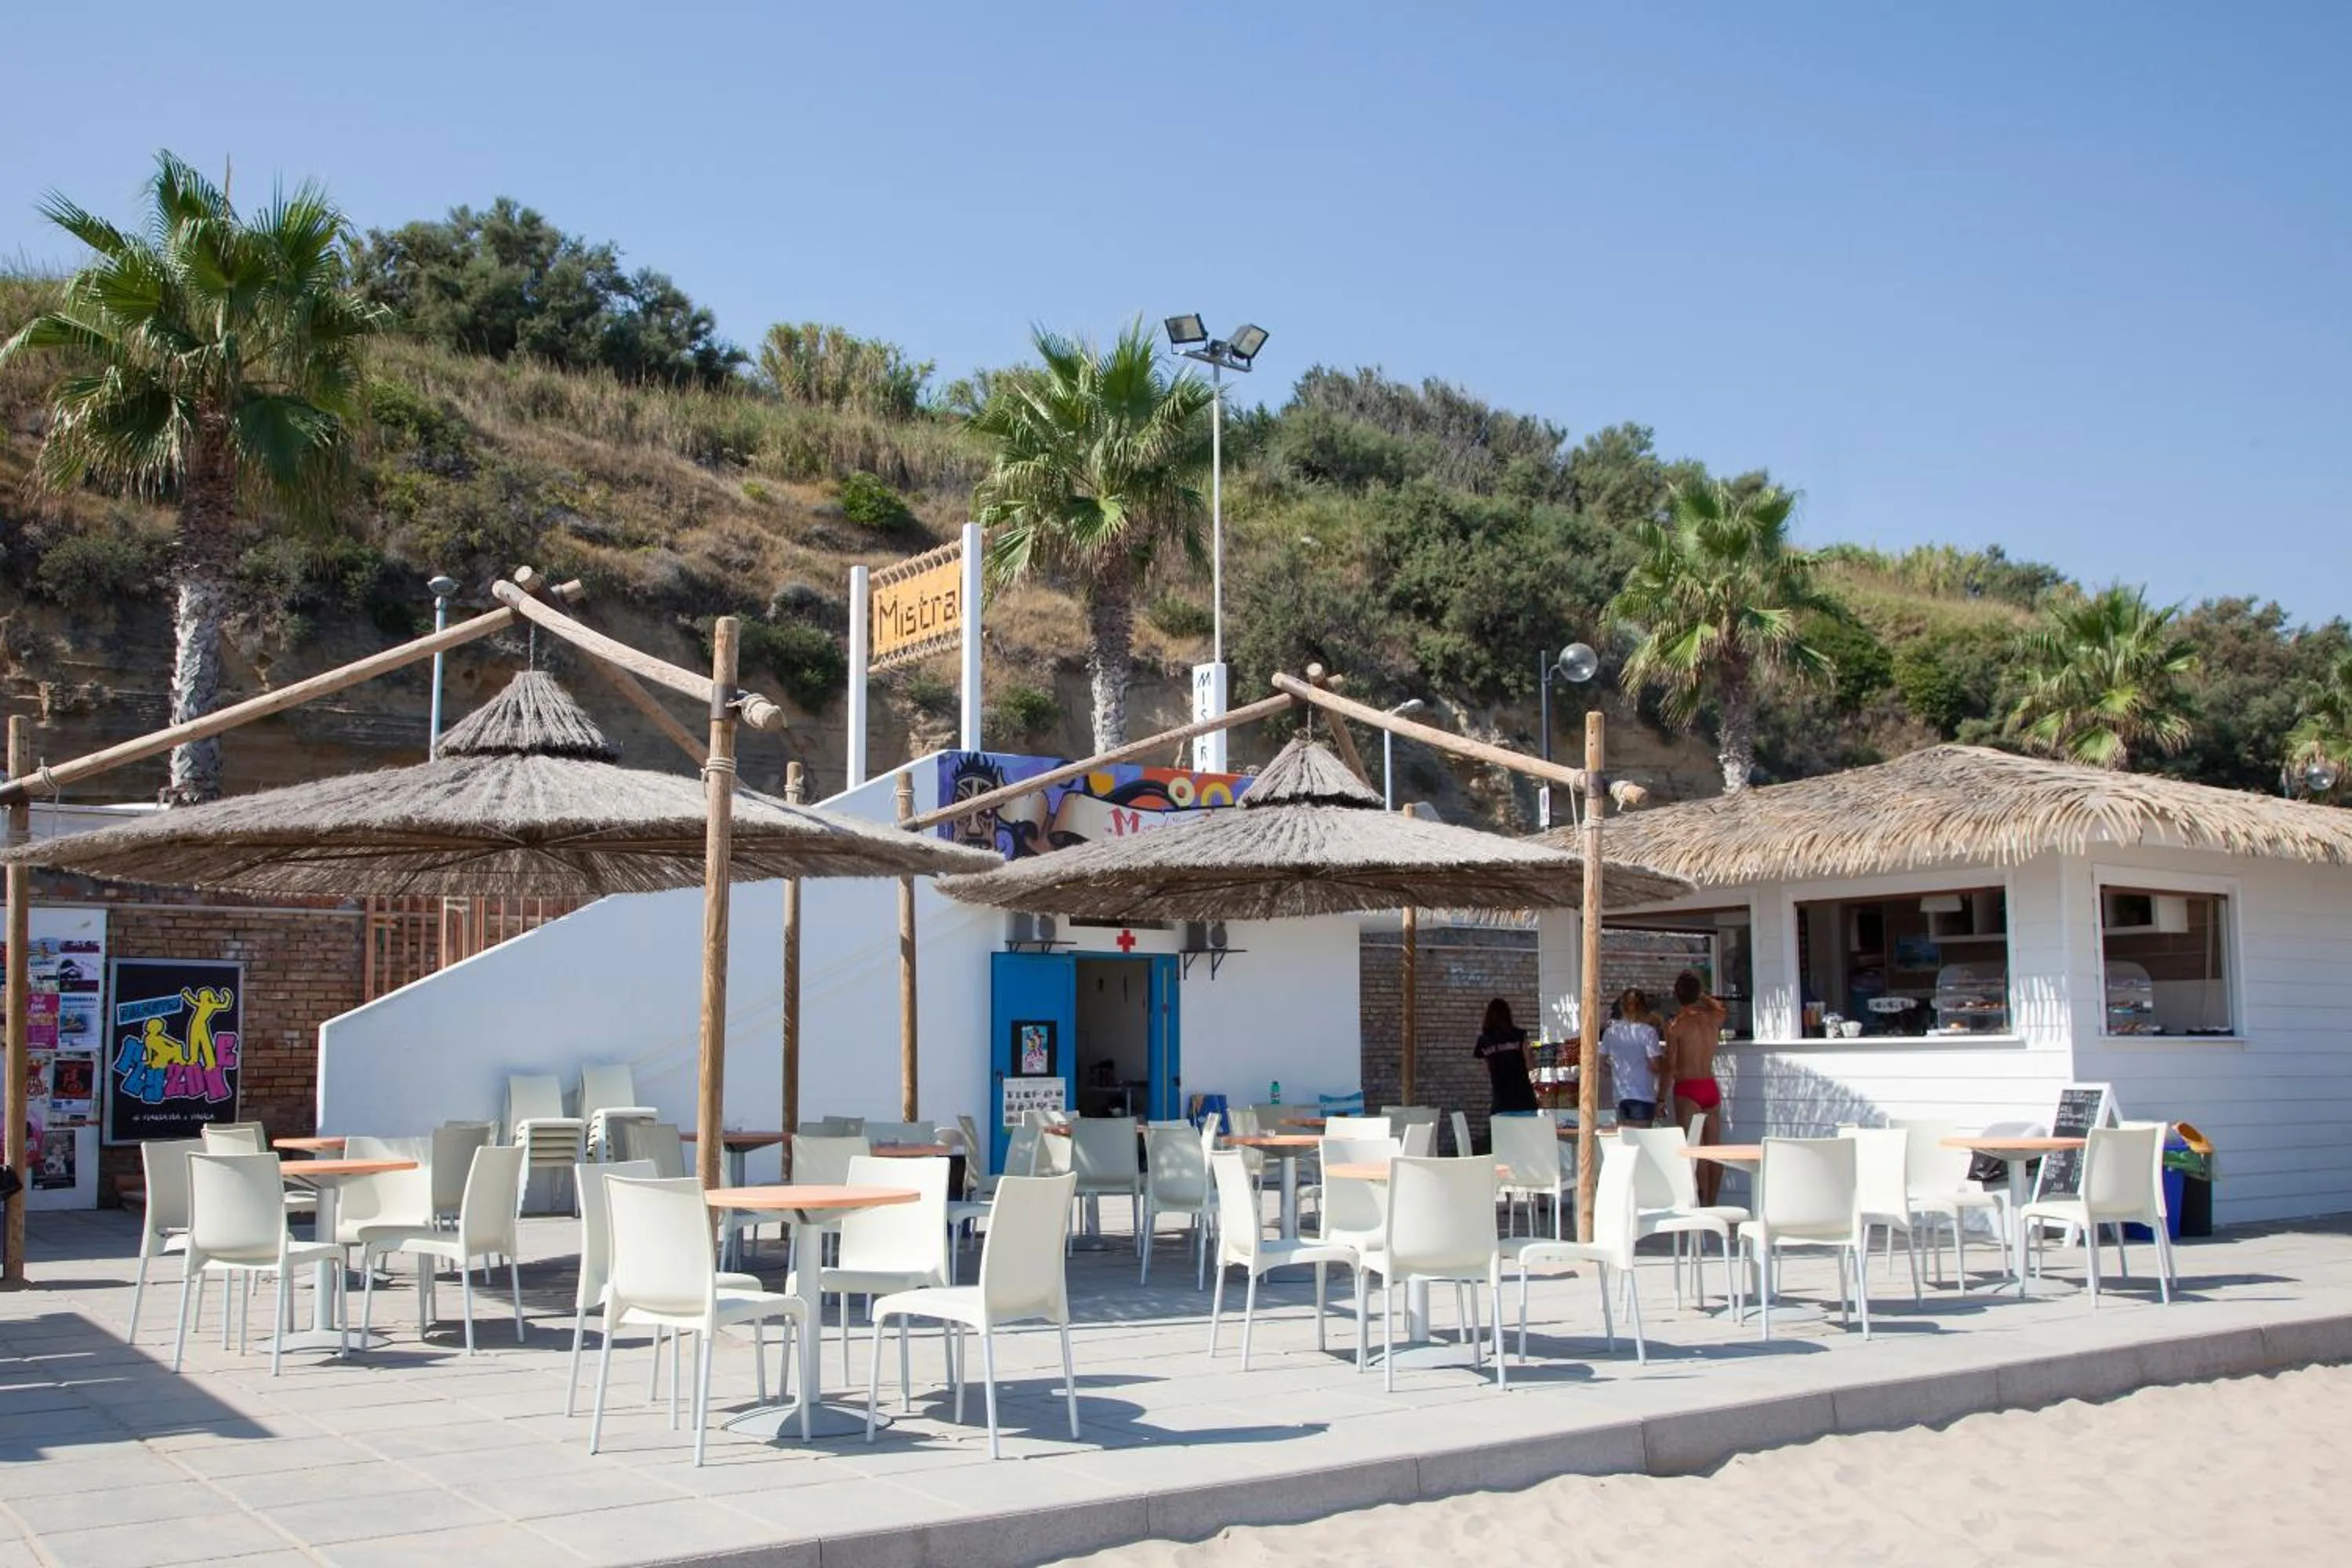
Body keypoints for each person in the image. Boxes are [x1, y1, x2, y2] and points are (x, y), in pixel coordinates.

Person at [1664, 970, 1731, 1203]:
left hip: (1688, 1088)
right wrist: (1702, 995)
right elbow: (1721, 1008)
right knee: (1715, 1150)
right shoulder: (1712, 1019)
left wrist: (1660, 1098)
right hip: (1709, 1086)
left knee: (1696, 1149)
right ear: (1697, 993)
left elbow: (1671, 1065)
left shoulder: (1675, 1025)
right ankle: (1712, 1200)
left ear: (1676, 995)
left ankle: (1701, 1202)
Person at [1601, 988, 1666, 1127]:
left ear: (1622, 1007)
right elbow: (1656, 1066)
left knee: (1625, 1142)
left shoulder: (1611, 1032)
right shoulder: (1648, 1032)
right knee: (1642, 1141)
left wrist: (1612, 1069)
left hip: (1621, 1095)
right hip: (1643, 1096)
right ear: (1643, 1008)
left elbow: (1601, 1064)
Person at [1472, 997, 1540, 1119]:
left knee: (1503, 1138)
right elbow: (1530, 1064)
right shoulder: (1519, 1035)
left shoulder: (1484, 1041)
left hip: (1500, 1104)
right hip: (1525, 1101)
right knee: (1528, 1138)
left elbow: (1485, 1068)